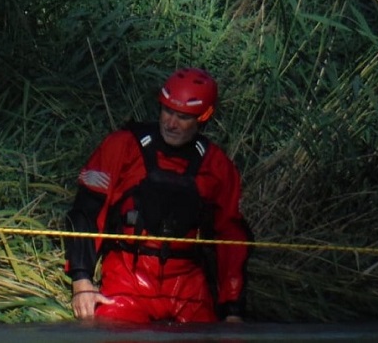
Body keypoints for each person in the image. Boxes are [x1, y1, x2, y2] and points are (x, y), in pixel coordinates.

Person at [64, 67, 252, 323]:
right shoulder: (122, 145)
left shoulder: (218, 166)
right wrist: (82, 282)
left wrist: (233, 310)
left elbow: (231, 237)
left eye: (183, 117)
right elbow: (87, 210)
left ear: (204, 116)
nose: (170, 123)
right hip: (127, 280)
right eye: (167, 111)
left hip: (188, 286)